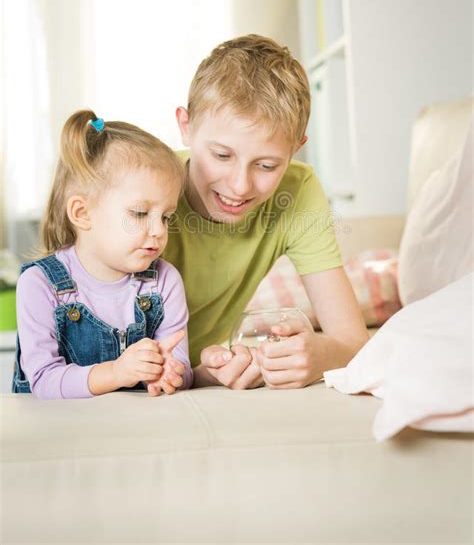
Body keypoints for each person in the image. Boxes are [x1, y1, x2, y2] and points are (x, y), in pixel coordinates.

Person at [154, 34, 369, 391]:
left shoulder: (297, 192)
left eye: (267, 165)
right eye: (222, 156)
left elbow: (353, 341)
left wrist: (320, 355)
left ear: (296, 149)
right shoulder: (148, 190)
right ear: (186, 126)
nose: (239, 186)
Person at [13, 110, 192, 399]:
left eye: (166, 217)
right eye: (140, 213)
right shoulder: (39, 285)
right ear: (82, 213)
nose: (158, 230)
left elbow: (182, 365)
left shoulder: (164, 281)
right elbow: (44, 381)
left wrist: (170, 373)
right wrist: (117, 372)